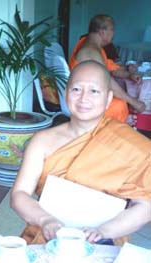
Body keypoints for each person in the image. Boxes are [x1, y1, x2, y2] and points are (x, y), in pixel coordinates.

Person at [10, 60, 151, 246]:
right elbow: (19, 194)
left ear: (108, 99)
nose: (84, 98)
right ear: (66, 93)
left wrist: (103, 231)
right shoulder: (42, 141)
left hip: (104, 241)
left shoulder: (131, 145)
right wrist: (45, 220)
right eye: (76, 89)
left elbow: (145, 206)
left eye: (94, 91)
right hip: (47, 236)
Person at [69, 14, 146, 123]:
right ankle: (116, 127)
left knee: (123, 98)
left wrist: (128, 73)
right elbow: (107, 81)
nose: (113, 34)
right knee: (120, 104)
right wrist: (134, 102)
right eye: (112, 30)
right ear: (102, 32)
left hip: (91, 91)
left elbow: (110, 67)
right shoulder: (89, 51)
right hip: (85, 98)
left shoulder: (93, 45)